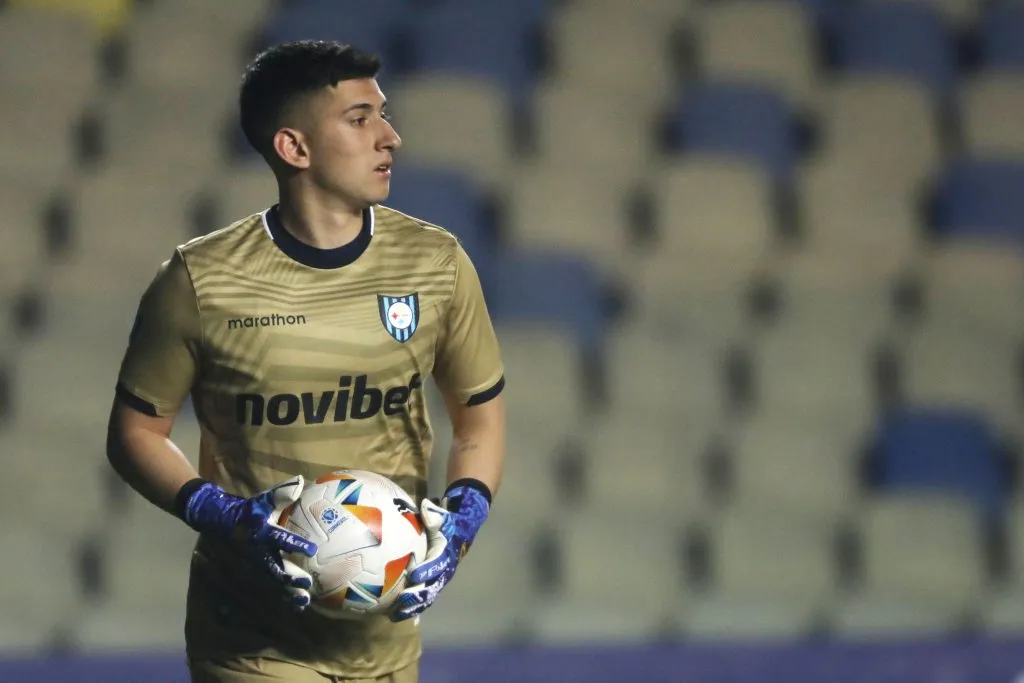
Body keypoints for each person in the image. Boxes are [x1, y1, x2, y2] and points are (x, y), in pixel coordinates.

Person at [106, 40, 506, 683]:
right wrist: (222, 515)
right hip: (252, 641)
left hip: (387, 639)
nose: (391, 137)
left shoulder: (436, 263)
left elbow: (478, 420)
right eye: (360, 119)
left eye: (383, 114)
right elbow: (135, 433)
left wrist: (465, 516)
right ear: (294, 148)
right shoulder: (200, 281)